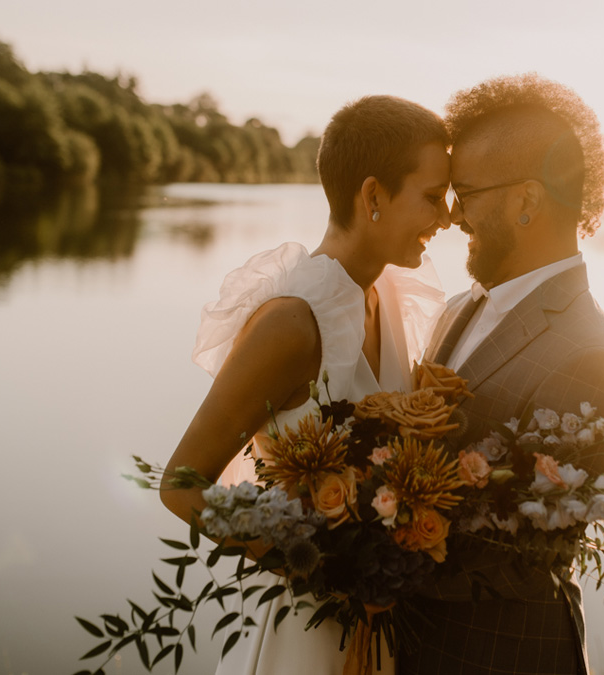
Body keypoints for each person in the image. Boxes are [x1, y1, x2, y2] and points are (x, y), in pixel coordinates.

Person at [161, 95, 452, 675]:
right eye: (430, 196)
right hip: (306, 630)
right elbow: (183, 485)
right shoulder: (293, 322)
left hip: (375, 630)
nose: (445, 217)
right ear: (373, 195)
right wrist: (339, 568)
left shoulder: (390, 296)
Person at [397, 74, 604, 675]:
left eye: (465, 192)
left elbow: (521, 558)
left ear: (526, 201)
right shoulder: (462, 305)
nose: (452, 216)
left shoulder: (591, 361)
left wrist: (352, 552)